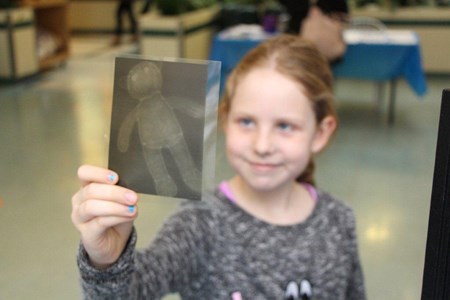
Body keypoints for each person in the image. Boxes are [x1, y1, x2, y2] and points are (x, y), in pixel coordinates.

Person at [71, 35, 366, 299]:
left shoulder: (338, 222)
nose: (262, 145)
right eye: (246, 121)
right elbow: (132, 293)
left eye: (285, 126)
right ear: (224, 119)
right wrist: (107, 262)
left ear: (320, 133)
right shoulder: (199, 224)